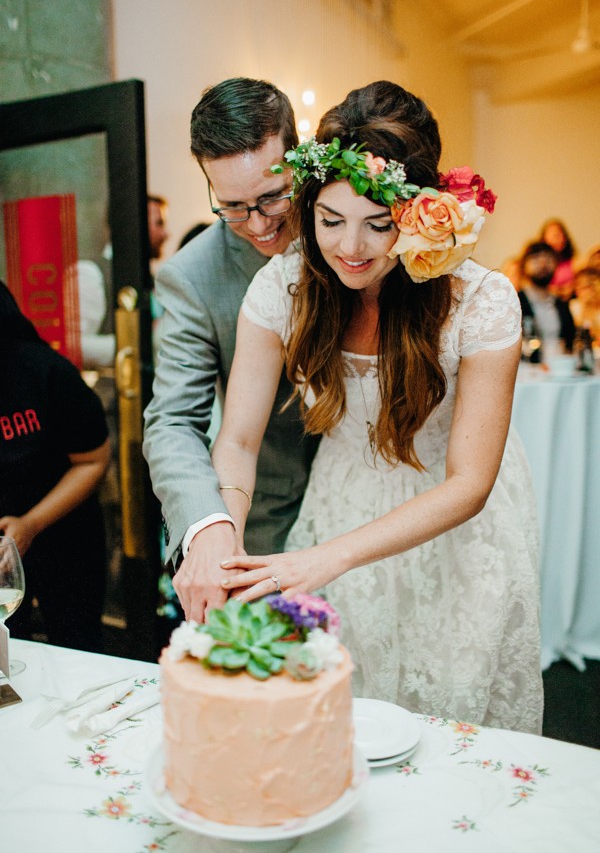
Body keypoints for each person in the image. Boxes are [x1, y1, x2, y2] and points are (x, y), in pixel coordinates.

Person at [210, 80, 543, 733]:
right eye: (329, 220)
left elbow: (470, 484)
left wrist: (328, 558)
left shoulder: (482, 301)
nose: (350, 249)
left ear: (419, 213)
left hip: (452, 532)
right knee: (336, 725)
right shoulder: (286, 284)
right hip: (338, 506)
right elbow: (240, 441)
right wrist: (224, 542)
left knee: (451, 728)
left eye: (376, 224)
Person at [143, 77, 318, 623]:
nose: (260, 224)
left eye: (272, 197)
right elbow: (172, 420)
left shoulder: (354, 221)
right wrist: (210, 523)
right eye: (234, 208)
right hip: (267, 518)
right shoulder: (191, 277)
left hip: (386, 502)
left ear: (300, 156)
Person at [0, 281, 110, 652]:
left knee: (75, 648)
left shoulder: (45, 373)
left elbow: (93, 461)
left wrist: (29, 525)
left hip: (66, 536)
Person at [517, 241, 576, 359]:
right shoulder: (516, 301)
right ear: (524, 265)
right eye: (536, 258)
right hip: (525, 369)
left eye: (549, 258)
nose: (543, 263)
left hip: (559, 367)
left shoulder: (561, 304)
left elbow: (571, 339)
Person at [539, 218, 577, 301]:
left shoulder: (574, 262)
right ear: (544, 239)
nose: (560, 239)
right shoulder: (538, 266)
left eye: (562, 235)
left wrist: (572, 287)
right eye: (555, 235)